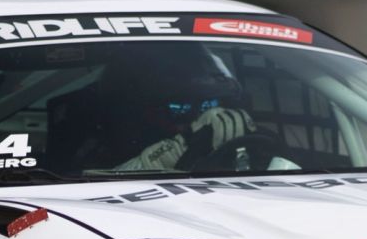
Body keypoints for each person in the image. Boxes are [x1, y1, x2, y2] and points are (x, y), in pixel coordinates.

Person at [99, 47, 288, 176]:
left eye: (208, 105)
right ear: (146, 111)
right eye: (181, 109)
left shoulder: (249, 141)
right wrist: (167, 155)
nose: (201, 117)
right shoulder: (104, 145)